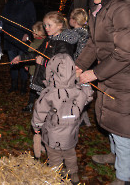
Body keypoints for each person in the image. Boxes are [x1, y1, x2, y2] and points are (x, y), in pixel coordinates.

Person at [76, 0, 130, 185]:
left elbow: (125, 52)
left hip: (124, 77)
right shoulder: (101, 6)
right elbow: (93, 44)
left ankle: (124, 176)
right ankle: (115, 155)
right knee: (110, 118)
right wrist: (79, 65)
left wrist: (95, 73)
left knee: (123, 128)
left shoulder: (123, 7)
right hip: (110, 75)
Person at [32, 53, 93, 185]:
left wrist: (36, 126)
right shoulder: (77, 91)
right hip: (70, 135)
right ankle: (74, 174)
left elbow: (39, 111)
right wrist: (84, 83)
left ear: (51, 72)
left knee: (54, 157)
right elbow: (88, 96)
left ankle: (55, 177)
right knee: (70, 154)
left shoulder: (49, 93)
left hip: (53, 135)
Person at [12, 11, 79, 113]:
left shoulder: (64, 44)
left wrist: (43, 62)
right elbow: (37, 53)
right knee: (45, 106)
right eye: (45, 25)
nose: (46, 28)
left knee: (54, 109)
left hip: (57, 83)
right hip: (45, 79)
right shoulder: (49, 39)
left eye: (49, 25)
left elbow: (63, 66)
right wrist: (21, 58)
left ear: (59, 25)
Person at [2, 0, 36, 93]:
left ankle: (23, 86)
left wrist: (28, 33)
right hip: (10, 38)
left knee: (22, 62)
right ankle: (14, 85)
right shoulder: (8, 5)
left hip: (22, 38)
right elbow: (4, 20)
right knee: (13, 63)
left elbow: (32, 21)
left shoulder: (28, 4)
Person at [69, 8, 92, 127]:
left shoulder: (77, 32)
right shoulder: (86, 31)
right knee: (82, 92)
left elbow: (65, 39)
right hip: (85, 64)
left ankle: (80, 119)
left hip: (78, 65)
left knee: (78, 92)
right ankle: (83, 119)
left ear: (74, 20)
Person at [25, 21, 46, 100]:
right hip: (39, 70)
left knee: (34, 86)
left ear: (40, 32)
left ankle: (31, 103)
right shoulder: (46, 41)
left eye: (34, 32)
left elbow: (30, 55)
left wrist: (27, 64)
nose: (32, 34)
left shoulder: (37, 42)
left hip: (35, 70)